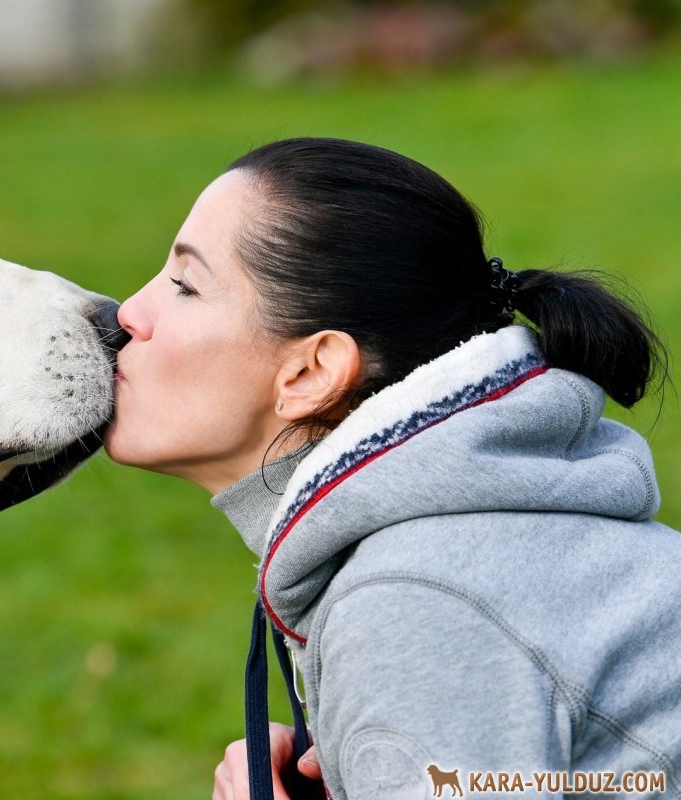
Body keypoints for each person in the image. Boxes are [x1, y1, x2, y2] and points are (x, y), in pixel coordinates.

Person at [102, 137, 681, 799]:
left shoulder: (412, 603)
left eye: (184, 286)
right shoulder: (447, 555)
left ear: (311, 372)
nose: (128, 313)